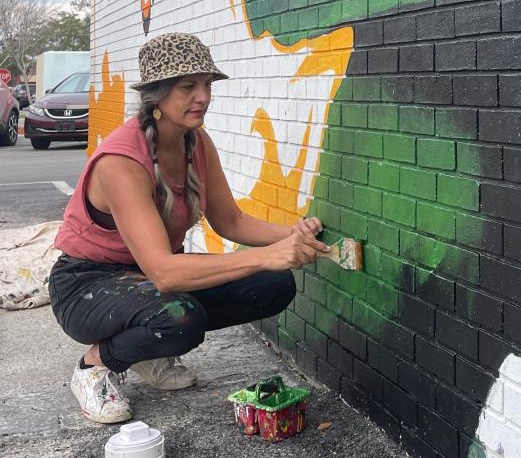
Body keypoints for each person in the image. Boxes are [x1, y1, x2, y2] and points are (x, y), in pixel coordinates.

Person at [48, 32, 330, 423]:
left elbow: (231, 221)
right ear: (156, 95)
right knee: (180, 318)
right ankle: (93, 365)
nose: (203, 96)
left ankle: (147, 351)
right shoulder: (121, 161)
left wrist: (295, 235)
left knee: (274, 285)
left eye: (206, 85)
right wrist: (266, 256)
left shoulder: (195, 142)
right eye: (187, 87)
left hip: (146, 281)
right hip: (88, 285)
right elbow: (163, 272)